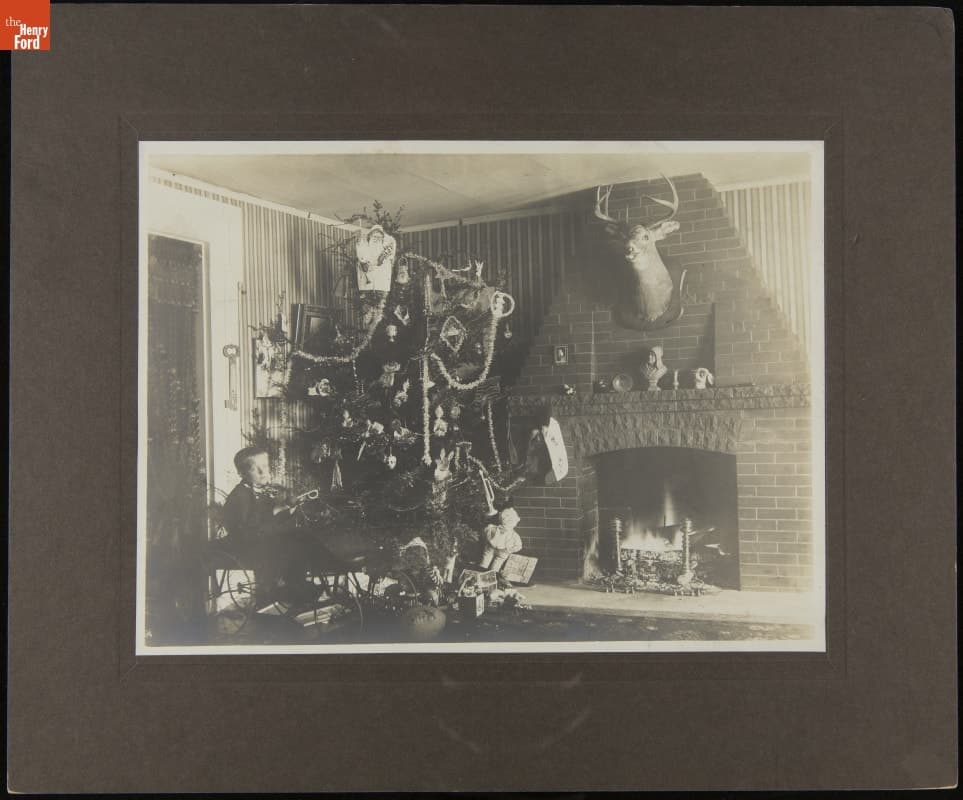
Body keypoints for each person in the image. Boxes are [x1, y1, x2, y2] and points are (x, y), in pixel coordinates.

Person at [220, 447, 316, 605]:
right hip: (246, 544)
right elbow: (247, 530)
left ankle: (297, 584)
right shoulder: (240, 496)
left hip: (262, 537)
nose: (262, 471)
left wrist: (288, 509)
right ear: (242, 474)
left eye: (264, 466)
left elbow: (272, 520)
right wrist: (276, 510)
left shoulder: (263, 491)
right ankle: (280, 591)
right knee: (286, 545)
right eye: (254, 468)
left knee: (299, 538)